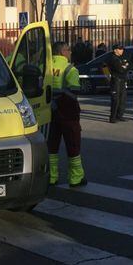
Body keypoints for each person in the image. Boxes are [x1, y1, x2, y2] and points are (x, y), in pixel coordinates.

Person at [47, 41, 87, 187]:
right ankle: (76, 178)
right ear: (63, 52)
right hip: (68, 113)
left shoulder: (44, 66)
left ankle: (52, 177)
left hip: (48, 113)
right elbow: (75, 90)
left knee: (51, 146)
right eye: (69, 50)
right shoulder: (70, 69)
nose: (70, 52)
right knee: (73, 145)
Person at [106, 44, 130, 123]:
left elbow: (129, 66)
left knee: (122, 99)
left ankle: (119, 115)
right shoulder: (112, 58)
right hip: (116, 80)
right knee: (115, 99)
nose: (122, 50)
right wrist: (124, 66)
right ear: (115, 50)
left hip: (123, 80)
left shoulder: (122, 57)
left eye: (122, 49)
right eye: (120, 49)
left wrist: (125, 66)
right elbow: (120, 69)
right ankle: (113, 117)